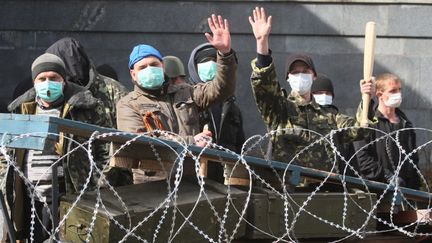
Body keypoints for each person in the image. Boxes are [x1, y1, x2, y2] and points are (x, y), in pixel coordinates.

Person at [248, 7, 375, 173]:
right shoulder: (279, 110)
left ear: (314, 76)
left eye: (305, 71)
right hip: (289, 189)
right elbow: (263, 84)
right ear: (287, 78)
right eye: (294, 72)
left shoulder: (330, 116)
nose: (300, 75)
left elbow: (361, 130)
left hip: (323, 189)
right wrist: (262, 44)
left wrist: (368, 98)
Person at [116, 14, 237, 182]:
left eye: (154, 65)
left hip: (190, 180)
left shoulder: (185, 92)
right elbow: (139, 144)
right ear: (133, 74)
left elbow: (221, 90)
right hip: (152, 186)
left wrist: (225, 55)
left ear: (162, 66)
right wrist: (191, 142)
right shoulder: (128, 104)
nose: (149, 70)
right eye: (142, 67)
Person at [2, 53, 109, 242]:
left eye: (53, 78)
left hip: (70, 195)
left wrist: (96, 185)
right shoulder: (22, 109)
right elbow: (6, 151)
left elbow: (105, 149)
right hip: (30, 198)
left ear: (64, 81)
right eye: (42, 79)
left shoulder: (85, 107)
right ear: (34, 82)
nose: (47, 83)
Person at [46, 37, 132, 187]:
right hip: (67, 180)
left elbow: (126, 136)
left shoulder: (113, 90)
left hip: (112, 180)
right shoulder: (57, 94)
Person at [188, 43, 246, 185]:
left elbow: (241, 146)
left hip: (226, 178)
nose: (210, 65)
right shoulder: (188, 102)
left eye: (215, 61)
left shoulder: (232, 107)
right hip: (195, 177)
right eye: (204, 62)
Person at [354, 73, 420, 189]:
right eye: (393, 91)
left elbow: (413, 161)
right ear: (380, 94)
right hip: (375, 189)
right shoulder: (369, 122)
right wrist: (387, 176)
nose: (398, 94)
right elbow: (362, 157)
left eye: (399, 90)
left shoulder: (405, 124)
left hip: (404, 191)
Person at [311, 74, 359, 176]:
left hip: (335, 178)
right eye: (319, 93)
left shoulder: (338, 119)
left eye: (328, 93)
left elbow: (357, 129)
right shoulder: (303, 118)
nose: (324, 96)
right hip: (306, 177)